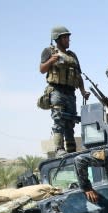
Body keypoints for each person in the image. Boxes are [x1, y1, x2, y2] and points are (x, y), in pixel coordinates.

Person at [40, 26, 90, 155]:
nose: (68, 40)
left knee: (70, 122)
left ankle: (72, 150)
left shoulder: (72, 55)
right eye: (65, 37)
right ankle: (59, 149)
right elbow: (42, 69)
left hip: (70, 93)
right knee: (59, 120)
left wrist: (83, 91)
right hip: (57, 91)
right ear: (58, 38)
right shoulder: (49, 51)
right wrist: (51, 61)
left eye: (68, 37)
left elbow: (78, 76)